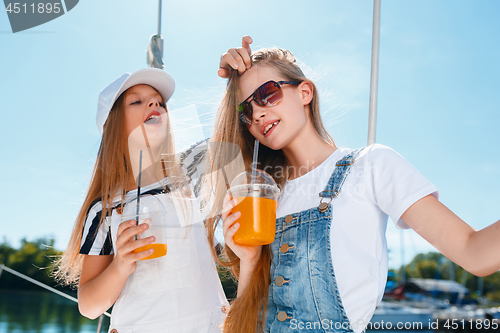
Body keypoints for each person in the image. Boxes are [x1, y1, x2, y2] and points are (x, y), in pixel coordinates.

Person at [207, 37, 500, 333]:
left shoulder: (371, 166)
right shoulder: (264, 198)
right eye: (245, 110)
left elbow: (475, 253)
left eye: (267, 93)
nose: (257, 113)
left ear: (305, 92)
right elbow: (247, 321)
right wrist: (249, 260)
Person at [53, 68, 229, 333]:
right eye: (137, 101)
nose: (154, 104)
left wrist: (237, 80)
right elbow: (88, 306)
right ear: (114, 128)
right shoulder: (105, 209)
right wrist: (120, 266)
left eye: (160, 102)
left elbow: (235, 132)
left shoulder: (190, 181)